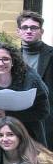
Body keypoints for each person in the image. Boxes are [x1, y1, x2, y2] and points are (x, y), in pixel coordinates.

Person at [0, 43, 50, 159]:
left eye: (5, 59)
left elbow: (43, 111)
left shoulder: (31, 80)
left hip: (29, 139)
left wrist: (9, 115)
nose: (0, 63)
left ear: (13, 61)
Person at [17, 11, 53, 149]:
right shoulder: (12, 57)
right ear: (18, 31)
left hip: (47, 119)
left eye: (34, 28)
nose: (29, 31)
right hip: (19, 120)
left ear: (41, 31)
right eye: (25, 27)